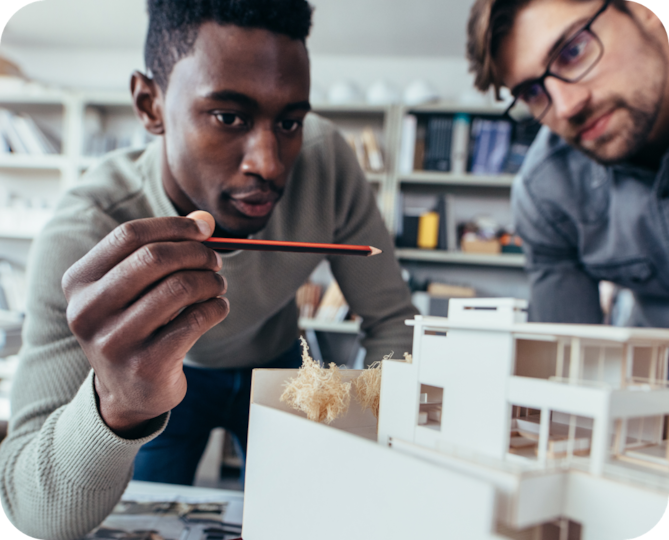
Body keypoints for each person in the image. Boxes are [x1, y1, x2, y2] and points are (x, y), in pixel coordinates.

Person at [0, 1, 418, 538]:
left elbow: (392, 322)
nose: (269, 164)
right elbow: (35, 517)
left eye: (289, 122)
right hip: (165, 382)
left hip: (278, 362)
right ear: (149, 104)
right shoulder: (86, 231)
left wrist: (369, 437)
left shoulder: (328, 161)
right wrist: (118, 405)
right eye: (229, 117)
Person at [467, 0, 669, 325]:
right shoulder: (547, 193)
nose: (566, 107)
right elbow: (566, 366)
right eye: (533, 92)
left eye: (574, 52)